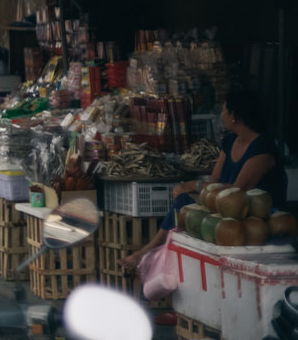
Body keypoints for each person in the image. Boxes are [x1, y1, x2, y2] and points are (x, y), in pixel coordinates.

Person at [120, 89, 288, 272]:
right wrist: (192, 189)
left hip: (254, 215)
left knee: (190, 201)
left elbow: (237, 193)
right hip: (224, 209)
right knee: (184, 201)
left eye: (224, 110)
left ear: (234, 116)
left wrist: (194, 185)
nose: (221, 115)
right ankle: (154, 253)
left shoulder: (262, 148)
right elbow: (215, 179)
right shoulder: (231, 141)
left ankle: (147, 253)